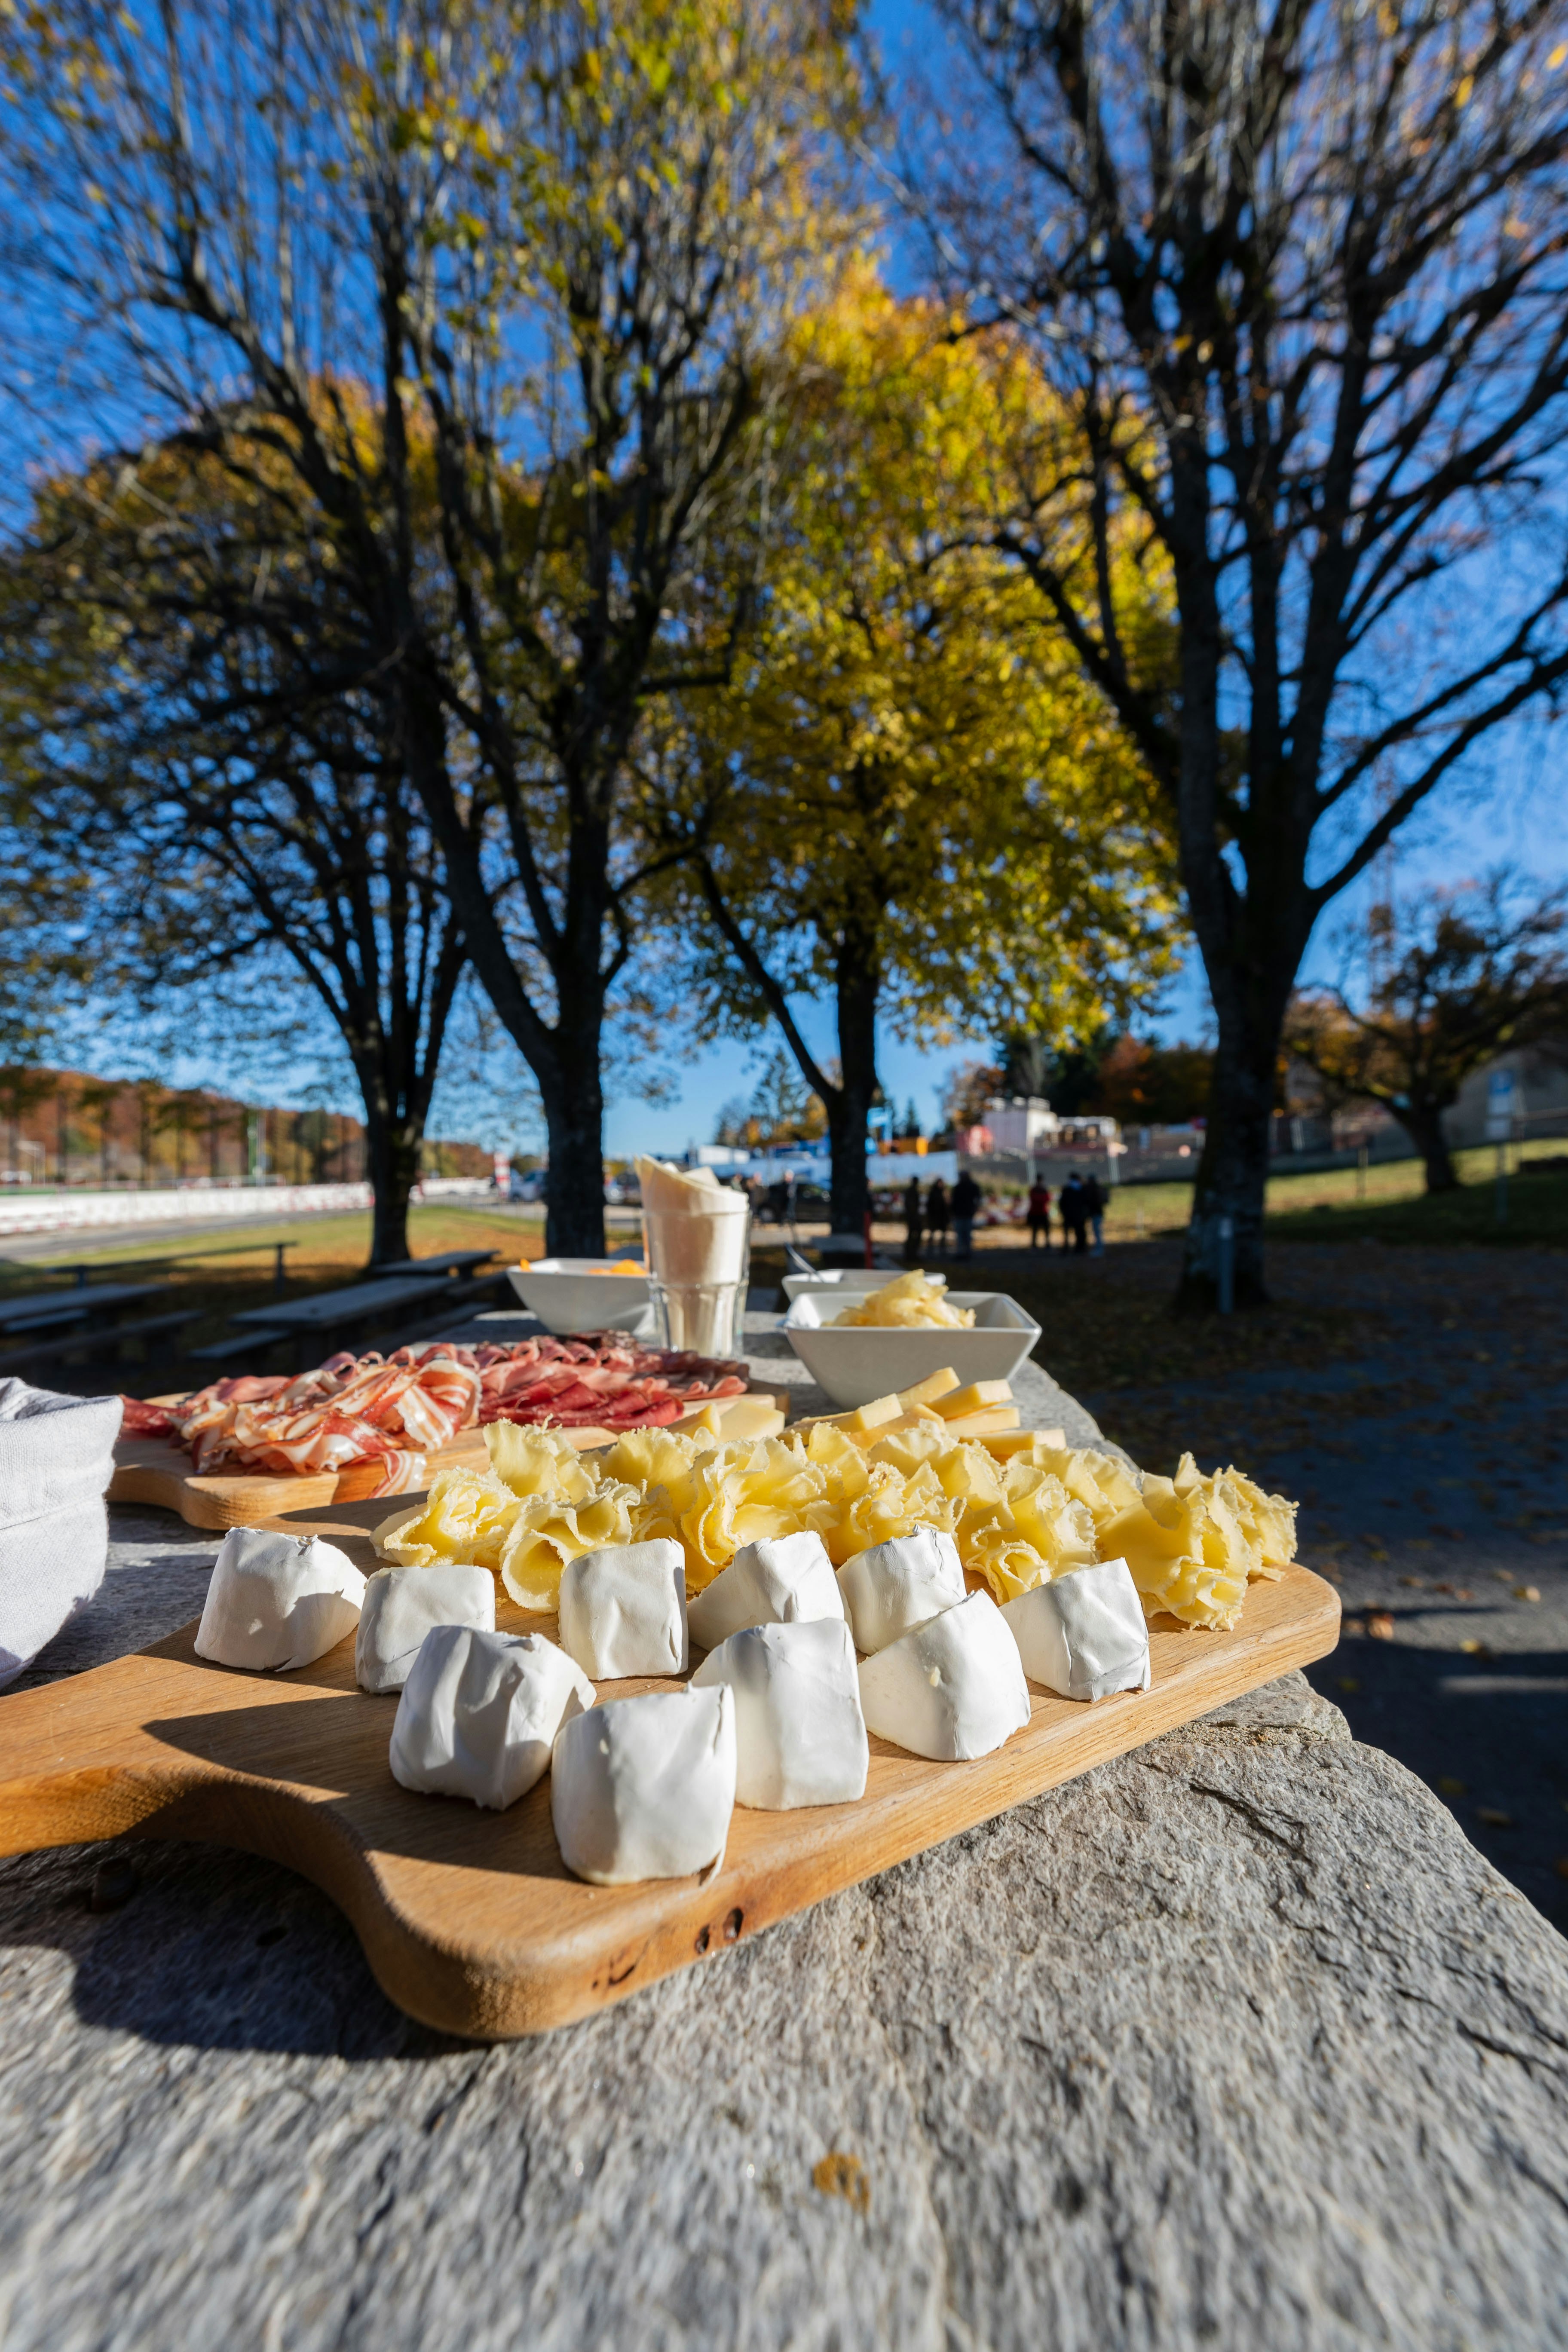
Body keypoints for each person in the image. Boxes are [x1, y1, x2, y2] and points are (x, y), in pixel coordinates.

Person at [951, 1168, 980, 1261]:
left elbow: (978, 1200)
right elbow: (954, 1202)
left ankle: (966, 1252)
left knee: (966, 1235)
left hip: (967, 1214)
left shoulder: (971, 1187)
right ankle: (962, 1252)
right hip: (961, 1214)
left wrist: (975, 1209)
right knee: (961, 1235)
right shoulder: (958, 1188)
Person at [1059, 1170, 1089, 1255]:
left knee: (1068, 1232)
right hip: (1079, 1215)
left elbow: (1062, 1203)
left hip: (1069, 1215)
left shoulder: (1067, 1190)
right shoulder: (1081, 1189)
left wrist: (1064, 1212)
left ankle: (1067, 1248)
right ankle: (1080, 1247)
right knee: (1080, 1232)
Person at [1083, 1170, 1106, 1256]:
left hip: (1096, 1213)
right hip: (1097, 1213)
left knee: (1097, 1232)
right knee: (1097, 1232)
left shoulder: (1094, 1190)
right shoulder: (1097, 1189)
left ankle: (1099, 1249)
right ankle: (1099, 1248)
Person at [925, 1174, 950, 1256]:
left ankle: (942, 1249)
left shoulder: (945, 1192)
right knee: (932, 1233)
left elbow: (948, 1204)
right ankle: (930, 1249)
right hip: (934, 1216)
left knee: (943, 1234)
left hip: (943, 1217)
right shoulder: (934, 1193)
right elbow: (929, 1205)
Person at [902, 1175, 924, 1266]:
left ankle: (912, 1254)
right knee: (912, 1235)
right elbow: (911, 1206)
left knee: (913, 1235)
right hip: (912, 1217)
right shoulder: (912, 1192)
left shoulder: (912, 1191)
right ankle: (911, 1254)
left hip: (912, 1217)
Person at [1026, 1176, 1052, 1251]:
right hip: (1041, 1212)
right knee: (1042, 1230)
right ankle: (1045, 1245)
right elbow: (1048, 1199)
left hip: (1037, 1212)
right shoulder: (1043, 1190)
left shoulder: (1035, 1190)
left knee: (1036, 1230)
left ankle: (1036, 1245)